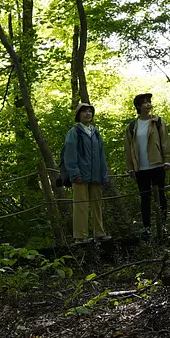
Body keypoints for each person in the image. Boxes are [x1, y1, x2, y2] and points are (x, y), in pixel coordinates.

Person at [124, 92, 170, 239]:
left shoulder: (157, 122)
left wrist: (167, 159)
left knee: (161, 195)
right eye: (145, 102)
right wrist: (130, 167)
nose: (148, 104)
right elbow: (128, 148)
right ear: (138, 106)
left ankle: (163, 225)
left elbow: (165, 141)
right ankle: (147, 228)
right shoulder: (132, 127)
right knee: (145, 198)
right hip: (141, 167)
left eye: (149, 101)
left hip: (157, 164)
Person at [61, 103, 110, 242]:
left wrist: (103, 175)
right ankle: (80, 237)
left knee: (97, 205)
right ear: (78, 115)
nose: (88, 114)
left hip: (96, 176)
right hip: (80, 176)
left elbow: (101, 155)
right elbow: (69, 154)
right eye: (84, 112)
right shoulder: (74, 132)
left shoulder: (95, 132)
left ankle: (99, 234)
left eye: (90, 111)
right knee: (80, 205)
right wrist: (75, 173)